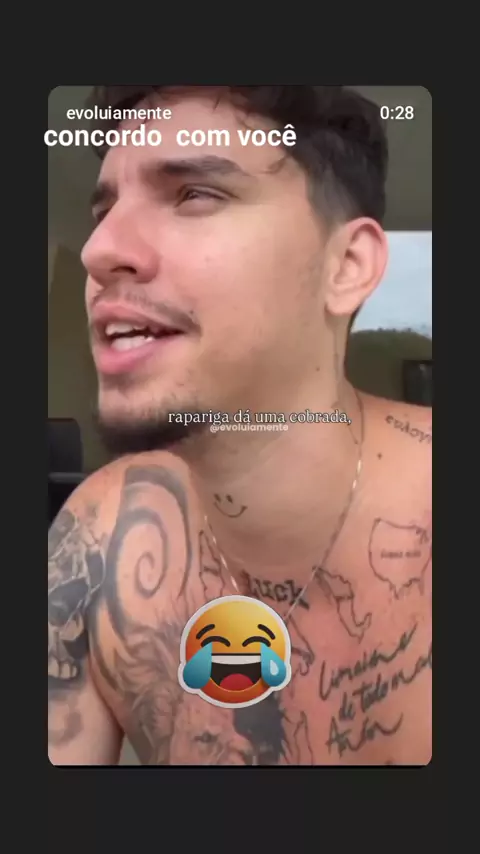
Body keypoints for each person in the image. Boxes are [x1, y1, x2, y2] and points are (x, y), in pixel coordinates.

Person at [48, 85, 432, 766]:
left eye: (194, 194)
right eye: (103, 212)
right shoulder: (98, 539)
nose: (98, 251)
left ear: (345, 267)